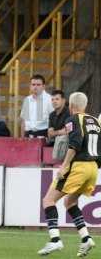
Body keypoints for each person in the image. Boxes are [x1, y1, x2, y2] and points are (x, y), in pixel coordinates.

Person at [38, 92, 99, 257]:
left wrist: (64, 166)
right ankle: (86, 238)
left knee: (48, 200)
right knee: (69, 202)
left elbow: (75, 144)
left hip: (78, 166)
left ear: (71, 106)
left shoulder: (72, 119)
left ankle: (55, 240)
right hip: (93, 168)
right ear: (85, 106)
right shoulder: (94, 121)